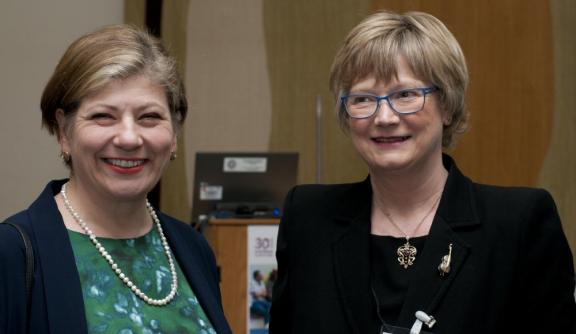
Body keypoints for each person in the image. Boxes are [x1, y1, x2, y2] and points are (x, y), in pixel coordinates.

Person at [269, 10, 576, 334]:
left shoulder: (517, 224)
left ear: (447, 104)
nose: (384, 117)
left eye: (405, 95)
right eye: (362, 98)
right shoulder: (308, 219)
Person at [0, 25, 231, 334]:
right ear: (63, 132)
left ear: (174, 134)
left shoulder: (193, 248)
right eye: (103, 116)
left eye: (149, 117)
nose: (129, 138)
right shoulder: (11, 253)